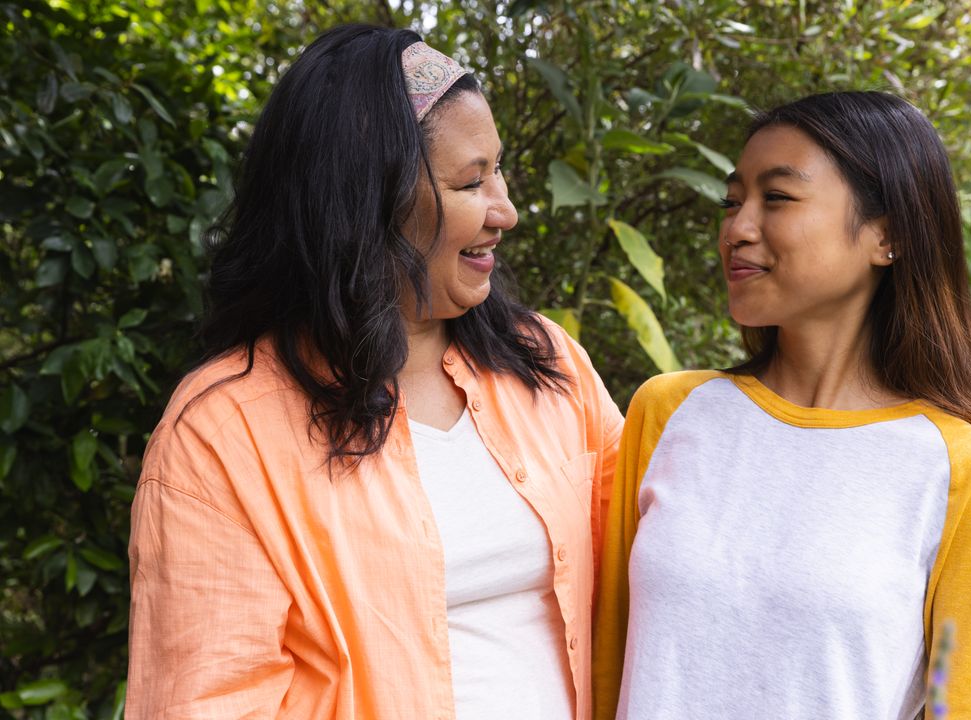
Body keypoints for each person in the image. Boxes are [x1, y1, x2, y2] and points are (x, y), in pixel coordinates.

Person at [126, 24, 622, 720]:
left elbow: (651, 574)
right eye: (471, 181)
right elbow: (210, 701)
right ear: (367, 202)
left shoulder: (548, 364)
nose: (505, 209)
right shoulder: (221, 435)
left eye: (498, 170)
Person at [592, 91, 971, 719]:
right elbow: (608, 669)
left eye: (779, 198)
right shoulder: (669, 414)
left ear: (888, 235)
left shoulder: (962, 472)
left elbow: (964, 705)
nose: (736, 229)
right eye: (733, 201)